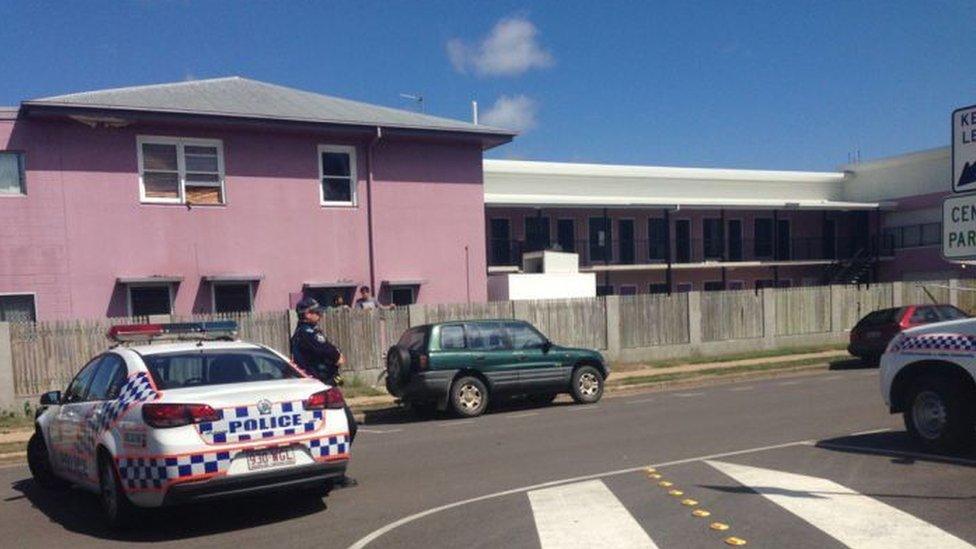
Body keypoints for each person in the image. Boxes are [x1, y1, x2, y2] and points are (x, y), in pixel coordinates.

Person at [290, 297, 358, 488]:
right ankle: (332, 475)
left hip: (321, 387)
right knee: (347, 426)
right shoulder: (306, 334)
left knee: (336, 429)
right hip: (321, 389)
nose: (319, 314)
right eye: (315, 311)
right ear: (306, 314)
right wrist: (336, 355)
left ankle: (329, 473)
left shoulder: (306, 333)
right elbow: (325, 349)